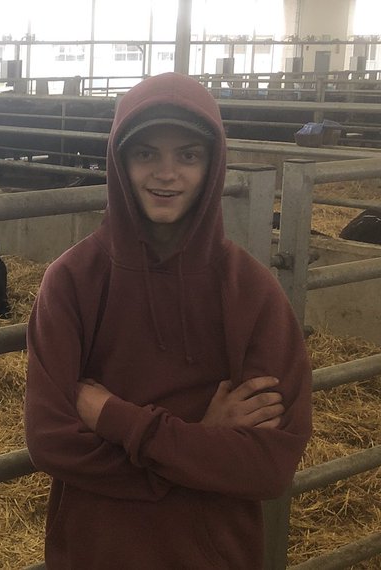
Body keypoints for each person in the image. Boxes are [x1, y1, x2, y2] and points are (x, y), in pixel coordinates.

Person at [23, 72, 313, 569]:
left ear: (212, 163)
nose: (166, 173)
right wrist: (204, 439)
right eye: (146, 153)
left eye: (188, 154)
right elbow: (51, 442)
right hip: (95, 552)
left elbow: (269, 466)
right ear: (120, 161)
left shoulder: (252, 292)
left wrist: (118, 418)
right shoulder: (72, 282)